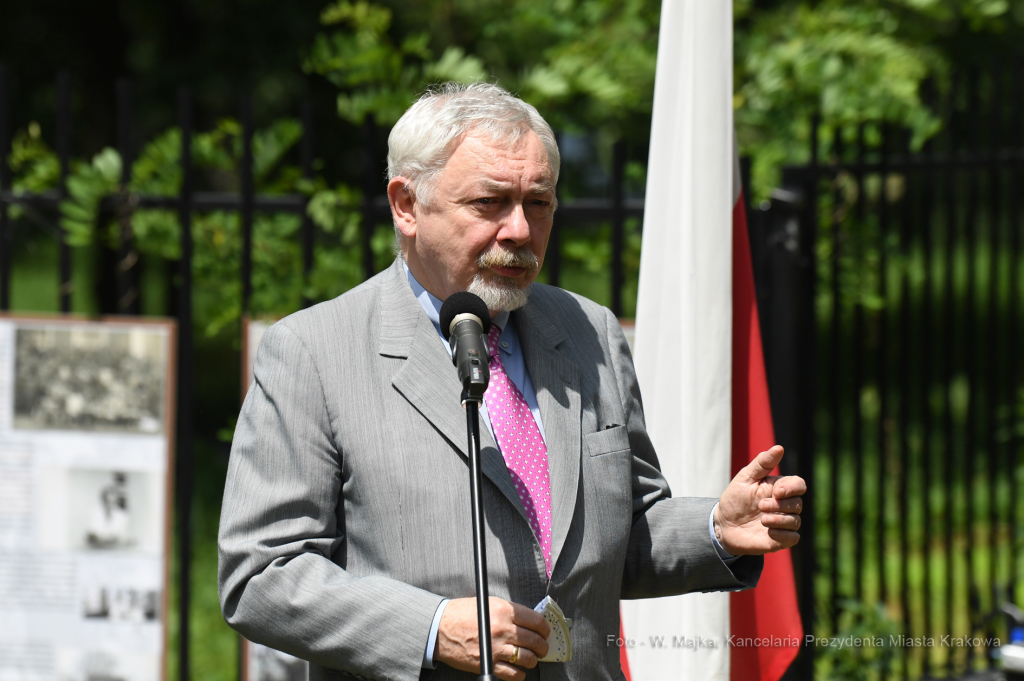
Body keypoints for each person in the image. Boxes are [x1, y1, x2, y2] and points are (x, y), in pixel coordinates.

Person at [218, 82, 806, 681]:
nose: (520, 230)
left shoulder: (589, 332)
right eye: (489, 203)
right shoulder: (313, 352)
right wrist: (430, 629)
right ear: (406, 205)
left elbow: (615, 540)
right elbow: (262, 575)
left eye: (539, 203)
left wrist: (716, 530)